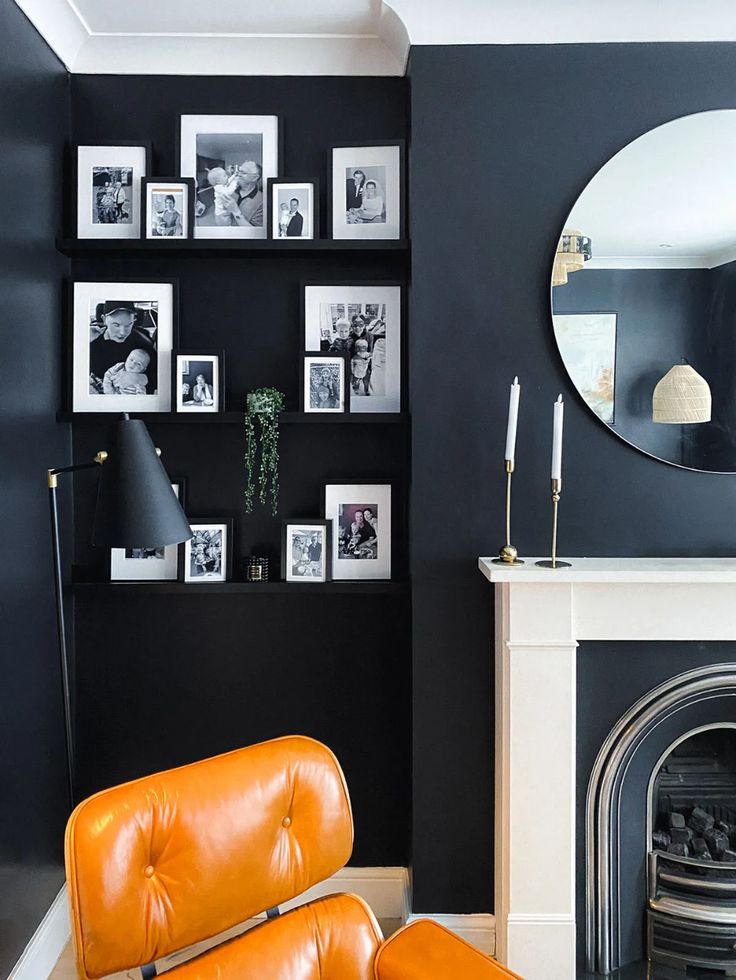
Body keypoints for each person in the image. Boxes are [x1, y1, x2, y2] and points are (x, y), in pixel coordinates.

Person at [89, 301, 157, 394]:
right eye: (116, 325)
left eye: (129, 325)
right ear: (104, 319)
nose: (123, 332)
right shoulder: (93, 348)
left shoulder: (143, 343)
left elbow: (162, 376)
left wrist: (140, 379)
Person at [235, 161, 263, 227]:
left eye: (243, 173)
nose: (238, 174)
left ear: (255, 178)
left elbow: (255, 232)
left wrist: (235, 211)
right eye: (239, 171)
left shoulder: (262, 202)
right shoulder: (229, 192)